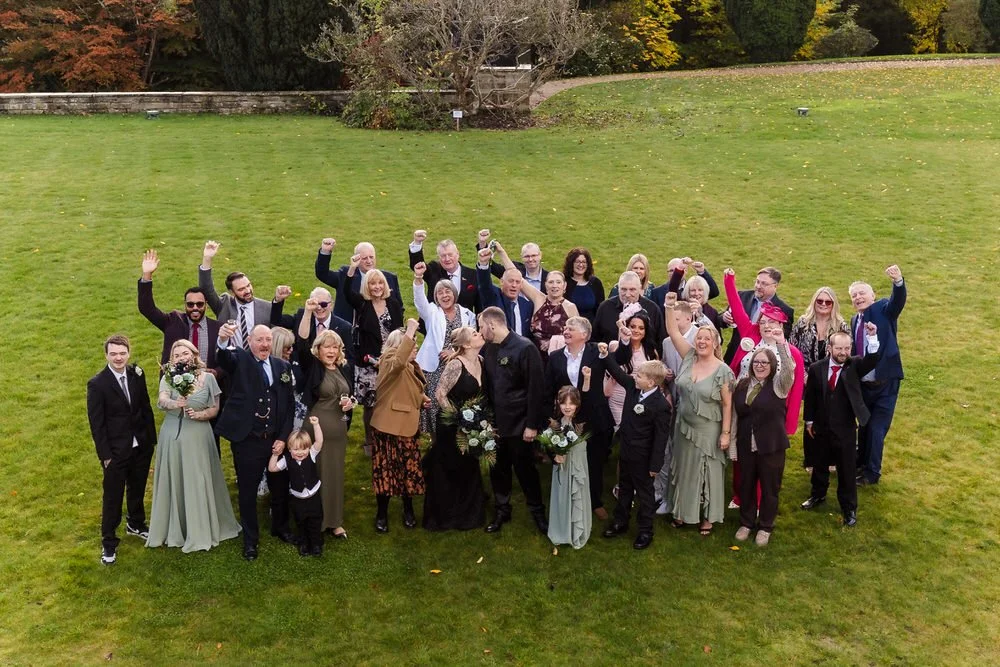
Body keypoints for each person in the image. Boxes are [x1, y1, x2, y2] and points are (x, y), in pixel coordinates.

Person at [146, 340, 240, 552]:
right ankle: (176, 527)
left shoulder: (208, 378)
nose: (181, 357)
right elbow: (161, 400)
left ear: (194, 354)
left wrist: (199, 415)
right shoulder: (168, 378)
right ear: (172, 359)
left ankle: (202, 526)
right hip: (173, 435)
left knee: (198, 478)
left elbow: (215, 408)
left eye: (185, 353)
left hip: (199, 434)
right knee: (177, 478)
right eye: (177, 354)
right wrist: (175, 403)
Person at [215, 323, 296, 561]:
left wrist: (282, 438)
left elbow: (289, 405)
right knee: (247, 492)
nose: (264, 345)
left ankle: (280, 527)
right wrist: (221, 341)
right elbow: (224, 359)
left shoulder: (282, 366)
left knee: (280, 488)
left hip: (275, 440)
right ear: (249, 341)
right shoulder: (239, 360)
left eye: (268, 340)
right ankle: (251, 540)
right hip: (248, 441)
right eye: (259, 340)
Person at [664, 293, 734, 535]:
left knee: (706, 472)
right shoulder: (689, 356)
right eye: (699, 338)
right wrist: (669, 306)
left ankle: (707, 517)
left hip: (709, 430)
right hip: (683, 425)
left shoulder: (722, 370)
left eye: (707, 338)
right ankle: (683, 512)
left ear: (715, 343)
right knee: (684, 469)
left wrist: (725, 434)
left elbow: (727, 405)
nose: (702, 341)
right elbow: (673, 332)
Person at [87, 334, 157, 565]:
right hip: (115, 452)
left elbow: (145, 407)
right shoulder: (97, 384)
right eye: (113, 353)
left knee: (137, 488)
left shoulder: (137, 374)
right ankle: (109, 542)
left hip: (140, 446)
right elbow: (96, 424)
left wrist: (150, 442)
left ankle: (135, 523)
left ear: (129, 353)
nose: (118, 358)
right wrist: (106, 456)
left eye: (122, 353)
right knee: (113, 497)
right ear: (106, 355)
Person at [801, 326, 881, 527]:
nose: (843, 353)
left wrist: (872, 337)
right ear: (829, 348)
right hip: (820, 427)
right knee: (819, 464)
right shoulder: (816, 368)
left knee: (846, 470)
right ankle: (817, 495)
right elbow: (810, 397)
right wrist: (809, 421)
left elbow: (872, 360)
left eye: (847, 348)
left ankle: (849, 508)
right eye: (839, 349)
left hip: (845, 430)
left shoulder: (854, 366)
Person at [479, 306, 548, 534]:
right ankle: (502, 510)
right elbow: (488, 387)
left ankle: (538, 511)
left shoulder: (525, 348)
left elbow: (536, 390)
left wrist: (531, 425)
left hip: (520, 425)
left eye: (481, 326)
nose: (480, 331)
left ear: (492, 325)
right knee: (498, 470)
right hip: (496, 425)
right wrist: (486, 421)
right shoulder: (489, 349)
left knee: (526, 470)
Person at [545, 317, 614, 521]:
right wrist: (552, 420)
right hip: (568, 420)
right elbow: (548, 389)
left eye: (571, 329)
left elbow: (622, 357)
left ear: (584, 334)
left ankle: (595, 501)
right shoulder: (555, 357)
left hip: (596, 418)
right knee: (569, 461)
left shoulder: (596, 352)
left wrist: (623, 342)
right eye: (565, 328)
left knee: (594, 462)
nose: (565, 331)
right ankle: (569, 501)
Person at [296, 307, 355, 540]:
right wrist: (309, 314)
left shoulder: (344, 367)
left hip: (338, 431)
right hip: (316, 429)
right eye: (326, 347)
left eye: (335, 347)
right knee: (316, 474)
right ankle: (316, 521)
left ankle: (335, 521)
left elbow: (348, 394)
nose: (331, 351)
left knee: (335, 475)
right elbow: (301, 343)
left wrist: (350, 403)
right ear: (318, 350)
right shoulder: (312, 367)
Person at [601, 357, 671, 550]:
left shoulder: (661, 406)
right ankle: (620, 522)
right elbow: (619, 373)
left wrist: (655, 465)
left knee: (645, 494)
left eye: (639, 375)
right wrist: (606, 356)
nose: (635, 377)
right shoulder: (634, 388)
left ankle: (645, 530)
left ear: (651, 382)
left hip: (644, 458)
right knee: (624, 488)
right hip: (626, 451)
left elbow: (660, 438)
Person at [423, 327, 488, 531]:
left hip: (472, 424)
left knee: (469, 466)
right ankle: (446, 515)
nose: (479, 334)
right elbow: (440, 394)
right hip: (451, 426)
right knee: (450, 466)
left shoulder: (481, 361)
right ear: (466, 344)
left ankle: (469, 513)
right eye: (475, 334)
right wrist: (458, 418)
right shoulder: (455, 365)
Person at [730, 345, 795, 547]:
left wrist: (782, 345)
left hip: (771, 447)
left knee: (769, 488)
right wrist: (733, 444)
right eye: (756, 362)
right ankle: (747, 522)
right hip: (745, 446)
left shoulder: (779, 385)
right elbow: (734, 417)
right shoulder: (741, 384)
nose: (759, 365)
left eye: (764, 362)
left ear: (772, 365)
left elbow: (788, 370)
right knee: (746, 485)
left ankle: (766, 526)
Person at [850, 265, 906, 486]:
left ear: (872, 295)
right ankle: (860, 463)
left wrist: (898, 282)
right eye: (854, 295)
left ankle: (872, 473)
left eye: (862, 293)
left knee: (876, 428)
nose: (858, 297)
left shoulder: (884, 308)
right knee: (864, 424)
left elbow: (897, 302)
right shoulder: (855, 320)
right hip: (865, 385)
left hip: (885, 383)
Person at [369, 319, 428, 532]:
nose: (416, 348)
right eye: (413, 344)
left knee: (408, 471)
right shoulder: (388, 362)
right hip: (388, 428)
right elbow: (398, 363)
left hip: (409, 428)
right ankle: (381, 514)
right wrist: (411, 329)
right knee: (385, 472)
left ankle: (408, 509)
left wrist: (421, 399)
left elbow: (407, 390)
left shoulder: (411, 365)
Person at [344, 254, 404, 457]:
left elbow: (399, 331)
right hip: (369, 363)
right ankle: (370, 441)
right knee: (371, 404)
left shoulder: (393, 304)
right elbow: (346, 291)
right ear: (367, 287)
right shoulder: (362, 304)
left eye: (380, 283)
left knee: (391, 401)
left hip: (391, 361)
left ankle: (390, 436)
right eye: (372, 283)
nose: (377, 287)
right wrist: (352, 269)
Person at [412, 262, 478, 435]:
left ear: (454, 294)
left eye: (447, 291)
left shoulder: (467, 314)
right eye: (440, 293)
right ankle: (437, 441)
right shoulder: (431, 312)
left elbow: (471, 341)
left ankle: (458, 437)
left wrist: (453, 352)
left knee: (455, 403)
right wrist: (418, 279)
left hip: (458, 366)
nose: (444, 295)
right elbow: (419, 301)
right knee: (435, 406)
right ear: (436, 297)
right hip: (436, 368)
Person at [790, 286, 850, 471]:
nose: (823, 305)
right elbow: (793, 349)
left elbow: (846, 353)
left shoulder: (841, 325)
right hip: (808, 377)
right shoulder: (802, 323)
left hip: (833, 378)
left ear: (834, 304)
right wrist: (804, 375)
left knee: (831, 418)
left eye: (828, 302)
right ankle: (811, 460)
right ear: (814, 302)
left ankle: (831, 460)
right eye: (820, 301)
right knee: (811, 416)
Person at [137, 249, 222, 372]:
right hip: (175, 387)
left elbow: (227, 361)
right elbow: (146, 308)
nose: (195, 308)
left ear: (206, 305)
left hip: (207, 387)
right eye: (190, 304)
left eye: (199, 304)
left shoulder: (217, 328)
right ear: (185, 305)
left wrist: (216, 373)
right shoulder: (172, 321)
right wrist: (147, 276)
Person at [491, 241, 579, 356]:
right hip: (534, 354)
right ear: (545, 285)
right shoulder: (539, 299)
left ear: (564, 286)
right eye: (551, 282)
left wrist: (554, 342)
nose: (554, 285)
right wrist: (501, 252)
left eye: (558, 282)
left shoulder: (570, 307)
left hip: (561, 356)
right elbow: (518, 276)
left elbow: (578, 334)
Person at [198, 241, 272, 351]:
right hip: (232, 360)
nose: (247, 291)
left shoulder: (267, 307)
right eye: (241, 289)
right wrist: (207, 258)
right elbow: (206, 289)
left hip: (258, 361)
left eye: (248, 285)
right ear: (232, 292)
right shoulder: (224, 305)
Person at [269, 417, 325, 556]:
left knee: (315, 521)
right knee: (301, 522)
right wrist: (275, 454)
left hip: (313, 497)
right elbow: (272, 468)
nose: (300, 452)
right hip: (297, 498)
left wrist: (316, 424)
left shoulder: (311, 455)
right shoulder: (286, 460)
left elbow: (319, 441)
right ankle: (304, 543)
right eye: (296, 449)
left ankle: (316, 544)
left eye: (304, 448)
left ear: (308, 448)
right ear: (289, 449)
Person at [547, 385, 593, 550]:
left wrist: (587, 380)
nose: (567, 407)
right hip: (562, 468)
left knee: (577, 494)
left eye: (572, 403)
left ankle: (577, 529)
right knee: (562, 495)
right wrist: (555, 456)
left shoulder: (583, 422)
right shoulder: (555, 424)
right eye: (564, 403)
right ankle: (561, 529)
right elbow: (548, 446)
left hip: (578, 466)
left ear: (578, 405)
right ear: (558, 404)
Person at [314, 237, 402, 322]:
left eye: (371, 257)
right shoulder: (345, 275)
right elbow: (322, 274)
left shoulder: (389, 278)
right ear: (357, 258)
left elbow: (399, 307)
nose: (369, 261)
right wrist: (325, 251)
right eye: (364, 258)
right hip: (348, 329)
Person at [721, 266, 793, 364]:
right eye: (757, 281)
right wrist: (724, 319)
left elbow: (783, 340)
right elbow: (722, 317)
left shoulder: (785, 310)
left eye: (764, 284)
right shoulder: (742, 296)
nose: (758, 286)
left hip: (767, 361)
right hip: (735, 357)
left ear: (775, 286)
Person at [270, 286, 354, 364]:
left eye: (323, 304)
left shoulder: (344, 327)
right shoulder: (302, 316)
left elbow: (350, 359)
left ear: (331, 305)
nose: (319, 308)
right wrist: (278, 300)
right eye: (315, 304)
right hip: (302, 369)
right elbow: (277, 321)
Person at [606, 310, 660, 430]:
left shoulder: (651, 351)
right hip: (617, 399)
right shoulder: (615, 346)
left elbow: (656, 377)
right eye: (633, 326)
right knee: (619, 435)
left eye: (641, 328)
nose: (636, 330)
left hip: (640, 398)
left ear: (645, 332)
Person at [408, 230, 479, 312]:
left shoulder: (472, 275)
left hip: (464, 323)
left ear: (457, 254)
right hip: (435, 322)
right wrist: (417, 242)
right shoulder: (434, 269)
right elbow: (418, 266)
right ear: (439, 257)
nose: (447, 259)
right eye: (443, 256)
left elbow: (479, 304)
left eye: (450, 255)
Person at [593, 271, 665, 346]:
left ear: (640, 288)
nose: (627, 294)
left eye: (632, 290)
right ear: (618, 288)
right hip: (611, 356)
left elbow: (660, 339)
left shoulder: (652, 309)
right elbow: (595, 339)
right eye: (623, 289)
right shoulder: (605, 308)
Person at [476, 247, 534, 340]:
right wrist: (483, 264)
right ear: (502, 282)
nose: (514, 285)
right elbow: (484, 284)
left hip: (522, 351)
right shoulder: (494, 296)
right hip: (498, 351)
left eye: (517, 282)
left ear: (521, 285)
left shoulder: (527, 305)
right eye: (510, 281)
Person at [475, 229, 548, 290]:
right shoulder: (514, 269)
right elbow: (493, 267)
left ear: (540, 255)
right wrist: (482, 243)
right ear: (521, 257)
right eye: (527, 256)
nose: (530, 259)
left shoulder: (549, 278)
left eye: (534, 255)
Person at [651, 257, 721, 317]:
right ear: (667, 272)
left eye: (677, 270)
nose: (674, 273)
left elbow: (714, 292)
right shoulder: (656, 292)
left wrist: (702, 272)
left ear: (686, 271)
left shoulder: (693, 290)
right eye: (671, 270)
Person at [562, 247, 605, 323]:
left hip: (591, 328)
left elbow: (600, 310)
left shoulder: (595, 283)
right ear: (571, 263)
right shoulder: (563, 282)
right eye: (577, 262)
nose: (581, 265)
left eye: (584, 262)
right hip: (568, 326)